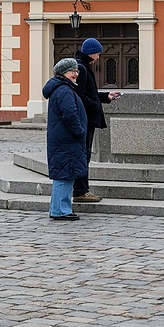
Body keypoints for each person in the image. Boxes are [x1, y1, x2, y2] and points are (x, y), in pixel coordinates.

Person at [73, 38, 121, 203]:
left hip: (86, 117)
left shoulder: (83, 67)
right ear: (90, 52)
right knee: (83, 155)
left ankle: (81, 190)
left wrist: (105, 97)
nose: (99, 57)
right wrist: (95, 106)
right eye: (97, 53)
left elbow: (89, 94)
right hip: (85, 118)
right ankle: (80, 191)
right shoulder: (82, 68)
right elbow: (81, 96)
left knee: (84, 154)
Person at [43, 58, 88, 221]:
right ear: (63, 73)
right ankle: (60, 210)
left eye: (76, 71)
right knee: (64, 175)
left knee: (65, 174)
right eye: (72, 71)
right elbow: (69, 115)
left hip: (64, 140)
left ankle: (59, 208)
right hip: (67, 140)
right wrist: (80, 131)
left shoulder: (63, 88)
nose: (75, 74)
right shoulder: (64, 90)